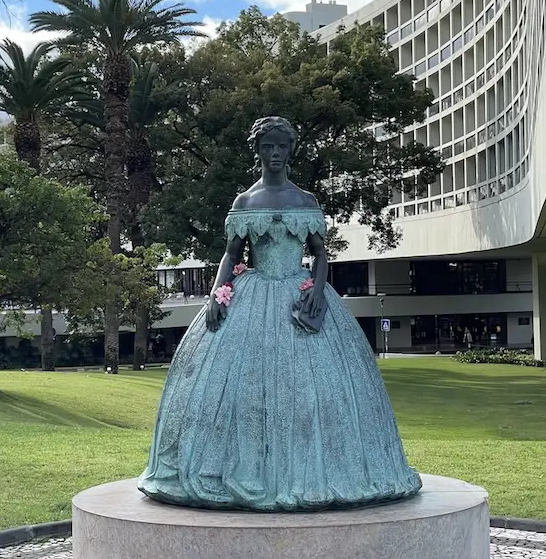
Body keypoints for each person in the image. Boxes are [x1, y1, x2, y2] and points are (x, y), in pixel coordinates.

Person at [138, 116, 423, 511]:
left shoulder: (305, 201)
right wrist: (217, 296)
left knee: (314, 389)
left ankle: (318, 471)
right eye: (268, 147)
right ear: (258, 151)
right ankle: (236, 471)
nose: (275, 154)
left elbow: (322, 253)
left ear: (291, 152)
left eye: (282, 147)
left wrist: (319, 291)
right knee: (237, 386)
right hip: (252, 297)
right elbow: (231, 255)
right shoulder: (245, 203)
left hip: (300, 294)